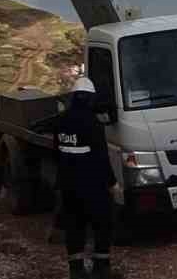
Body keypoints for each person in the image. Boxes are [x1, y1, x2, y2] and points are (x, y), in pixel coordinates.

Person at [55, 75, 122, 278]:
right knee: (102, 223)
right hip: (93, 186)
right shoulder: (93, 123)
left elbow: (56, 153)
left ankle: (76, 270)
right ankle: (101, 268)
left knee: (74, 226)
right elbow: (101, 156)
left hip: (69, 186)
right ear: (91, 99)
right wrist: (112, 182)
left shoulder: (61, 121)